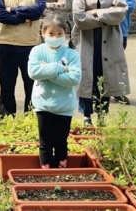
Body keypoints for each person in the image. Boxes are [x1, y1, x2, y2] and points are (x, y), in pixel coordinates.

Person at [72, 0, 130, 127]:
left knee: (106, 77)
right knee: (86, 78)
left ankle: (102, 114)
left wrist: (95, 13)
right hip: (87, 41)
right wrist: (106, 16)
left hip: (109, 41)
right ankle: (87, 116)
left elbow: (120, 13)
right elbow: (79, 18)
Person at [0, 0, 46, 118]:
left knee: (32, 86)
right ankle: (7, 118)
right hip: (6, 45)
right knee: (6, 86)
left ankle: (31, 119)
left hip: (30, 46)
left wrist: (13, 10)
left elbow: (38, 11)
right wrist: (25, 18)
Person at [28, 14, 81, 169]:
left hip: (65, 105)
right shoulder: (37, 51)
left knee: (61, 140)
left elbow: (74, 79)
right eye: (51, 33)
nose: (55, 37)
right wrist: (60, 68)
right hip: (43, 104)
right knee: (45, 141)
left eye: (59, 34)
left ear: (65, 33)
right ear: (43, 33)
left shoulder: (72, 53)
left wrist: (46, 71)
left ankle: (61, 167)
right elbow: (33, 72)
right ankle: (45, 168)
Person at [107, 0, 136, 105]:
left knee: (117, 63)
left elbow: (129, 7)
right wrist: (116, 6)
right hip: (101, 30)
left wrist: (105, 10)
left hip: (120, 31)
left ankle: (117, 93)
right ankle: (98, 91)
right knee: (98, 62)